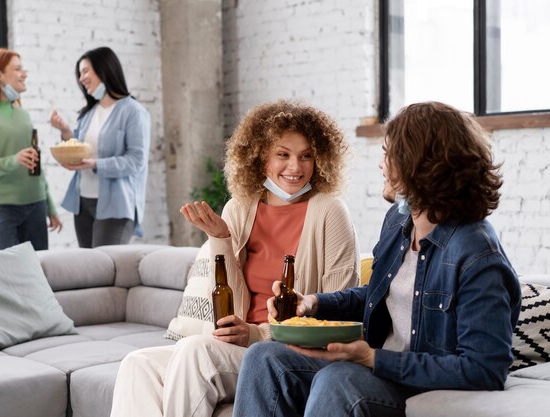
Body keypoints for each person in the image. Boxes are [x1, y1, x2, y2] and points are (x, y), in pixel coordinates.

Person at [232, 101, 522, 417]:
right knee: (265, 356)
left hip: (423, 383)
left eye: (387, 153)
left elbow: (484, 370)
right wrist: (314, 303)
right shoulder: (398, 224)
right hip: (381, 370)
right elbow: (379, 296)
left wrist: (372, 359)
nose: (380, 165)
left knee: (338, 379)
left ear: (419, 163)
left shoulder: (477, 257)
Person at [109, 100, 360, 417]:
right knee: (138, 364)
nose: (295, 167)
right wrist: (221, 239)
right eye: (283, 155)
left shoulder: (329, 211)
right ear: (260, 158)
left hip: (286, 352)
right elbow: (234, 307)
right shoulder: (239, 209)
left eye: (306, 155)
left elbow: (338, 311)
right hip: (237, 347)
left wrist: (256, 334)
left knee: (193, 351)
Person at [50, 46, 150, 248]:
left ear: (105, 69)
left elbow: (136, 161)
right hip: (83, 203)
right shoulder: (88, 113)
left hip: (116, 205)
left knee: (106, 268)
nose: (81, 78)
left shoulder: (133, 112)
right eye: (79, 73)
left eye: (85, 70)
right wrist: (66, 131)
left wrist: (96, 164)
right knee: (90, 271)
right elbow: (80, 149)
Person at [0, 48, 62, 251]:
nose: (24, 74)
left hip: (36, 206)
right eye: (17, 69)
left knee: (36, 277)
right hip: (2, 209)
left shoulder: (23, 115)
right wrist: (14, 160)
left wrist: (50, 207)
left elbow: (36, 166)